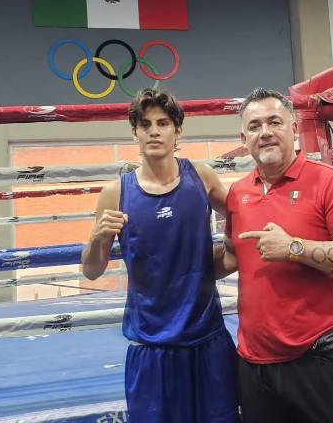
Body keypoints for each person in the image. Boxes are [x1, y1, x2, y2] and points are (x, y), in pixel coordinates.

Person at [220, 88, 333, 423]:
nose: (265, 132)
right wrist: (165, 265)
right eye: (255, 126)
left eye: (274, 122)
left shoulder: (328, 182)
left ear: (293, 129)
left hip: (318, 356)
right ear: (243, 138)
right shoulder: (238, 193)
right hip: (255, 362)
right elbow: (232, 258)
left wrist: (294, 247)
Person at [80, 88, 238, 422]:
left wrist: (230, 254)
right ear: (134, 132)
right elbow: (92, 271)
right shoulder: (116, 193)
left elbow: (240, 217)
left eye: (163, 123)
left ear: (177, 131)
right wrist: (97, 238)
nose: (154, 130)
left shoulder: (202, 177)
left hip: (207, 339)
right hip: (152, 347)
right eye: (146, 124)